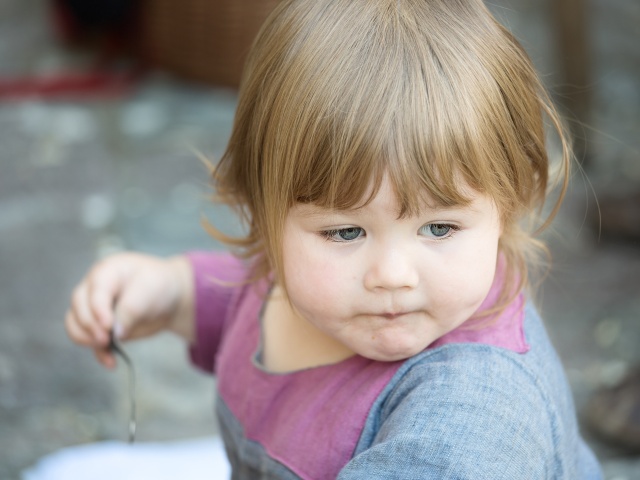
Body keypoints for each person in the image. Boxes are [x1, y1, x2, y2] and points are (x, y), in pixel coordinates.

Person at [64, 0, 603, 477]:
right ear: (264, 210)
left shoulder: (470, 426)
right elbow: (260, 295)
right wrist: (174, 293)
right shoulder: (311, 282)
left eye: (438, 228)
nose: (392, 275)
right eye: (346, 231)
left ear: (505, 209)